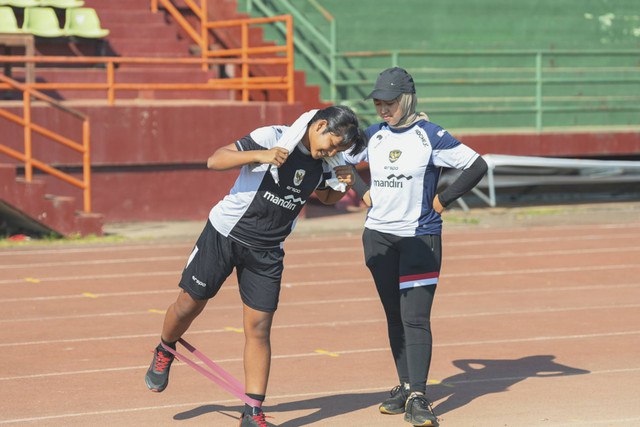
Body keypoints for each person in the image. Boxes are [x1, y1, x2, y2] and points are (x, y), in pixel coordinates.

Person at [144, 105, 366, 427]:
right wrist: (259, 156)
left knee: (259, 328)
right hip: (224, 235)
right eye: (331, 143)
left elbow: (325, 198)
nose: (331, 152)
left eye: (338, 150)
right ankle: (165, 347)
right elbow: (215, 159)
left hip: (267, 251)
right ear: (319, 125)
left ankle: (252, 412)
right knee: (188, 305)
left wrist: (342, 185)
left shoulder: (327, 162)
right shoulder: (271, 136)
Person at [344, 67, 488, 427]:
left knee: (415, 318)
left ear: (406, 100)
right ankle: (406, 385)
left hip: (420, 237)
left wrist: (443, 199)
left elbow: (476, 165)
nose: (382, 109)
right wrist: (363, 193)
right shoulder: (372, 136)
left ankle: (419, 396)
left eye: (389, 102)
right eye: (377, 102)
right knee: (394, 316)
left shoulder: (431, 136)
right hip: (377, 236)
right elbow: (337, 161)